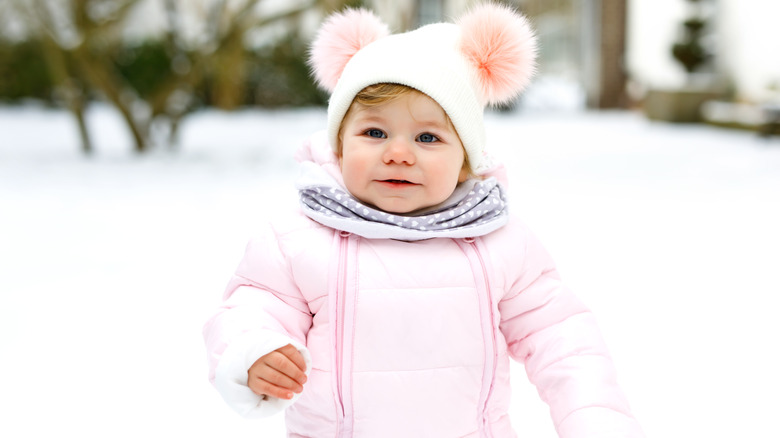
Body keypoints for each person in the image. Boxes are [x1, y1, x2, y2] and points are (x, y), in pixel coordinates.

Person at [203, 3, 644, 437]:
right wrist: (253, 351)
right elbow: (252, 307)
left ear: (466, 161)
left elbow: (564, 341)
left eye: (428, 137)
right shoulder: (297, 237)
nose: (398, 152)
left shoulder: (501, 243)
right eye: (374, 132)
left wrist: (597, 420)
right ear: (339, 144)